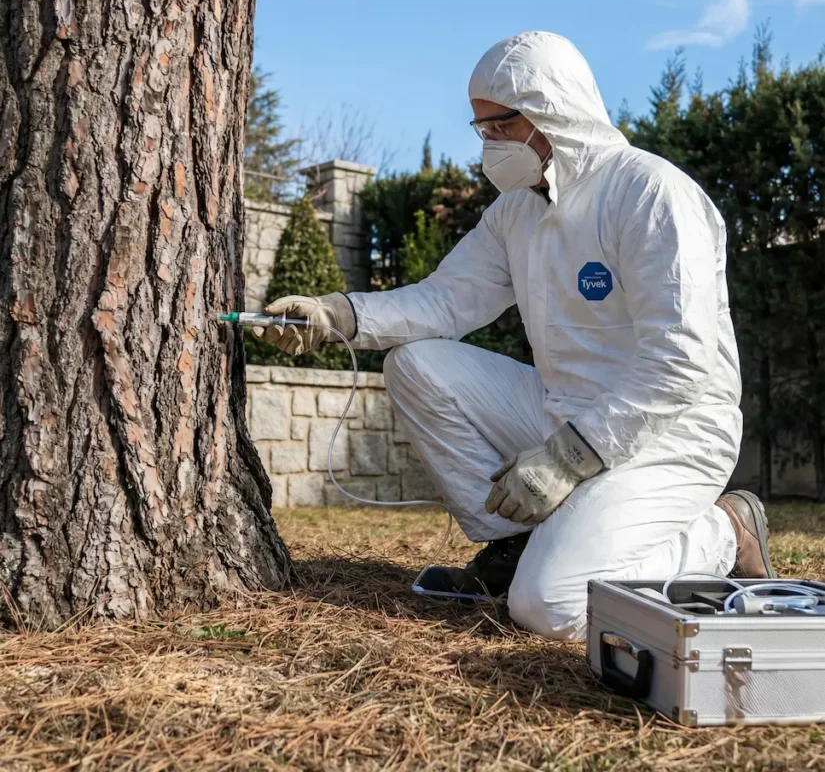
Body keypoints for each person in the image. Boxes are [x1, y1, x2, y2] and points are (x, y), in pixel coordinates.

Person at [258, 31, 774, 642]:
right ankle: (517, 544)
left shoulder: (651, 195)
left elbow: (679, 362)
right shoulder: (515, 213)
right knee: (416, 364)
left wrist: (568, 458)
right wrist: (339, 315)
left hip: (672, 432)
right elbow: (445, 300)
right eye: (482, 129)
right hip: (565, 413)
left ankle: (722, 531)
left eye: (499, 126)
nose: (489, 145)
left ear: (550, 111)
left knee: (549, 607)